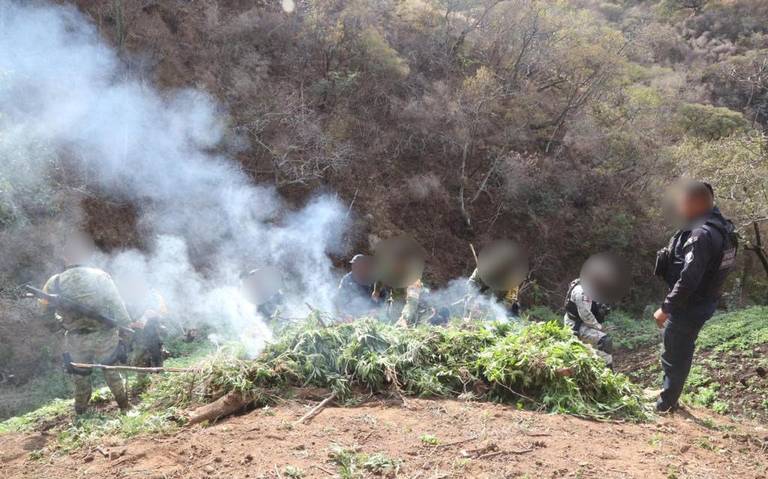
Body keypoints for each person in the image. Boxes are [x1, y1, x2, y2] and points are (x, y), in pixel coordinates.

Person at [653, 181, 737, 413]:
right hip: (704, 302)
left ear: (694, 203)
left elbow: (689, 279)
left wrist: (666, 307)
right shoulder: (722, 227)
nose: (679, 207)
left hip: (689, 306)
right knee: (682, 349)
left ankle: (665, 405)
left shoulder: (701, 234)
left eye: (682, 202)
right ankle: (670, 398)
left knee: (675, 352)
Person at [39, 233, 132, 415]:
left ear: (65, 257)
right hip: (104, 335)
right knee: (111, 371)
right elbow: (118, 305)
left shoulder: (53, 283)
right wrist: (126, 330)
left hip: (76, 338)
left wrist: (61, 323)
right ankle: (125, 407)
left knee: (80, 377)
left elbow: (44, 314)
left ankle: (81, 413)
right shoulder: (100, 277)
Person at [563, 278, 613, 368]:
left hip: (585, 322)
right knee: (605, 342)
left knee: (602, 346)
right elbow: (585, 314)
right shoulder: (582, 291)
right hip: (576, 325)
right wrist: (599, 327)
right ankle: (607, 372)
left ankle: (603, 367)